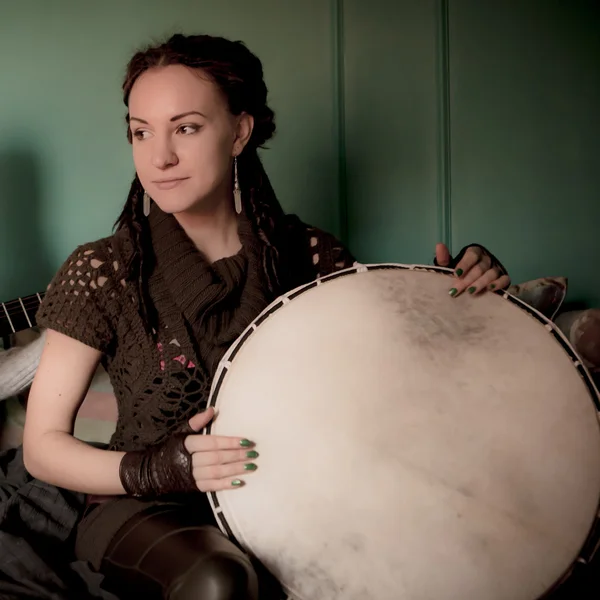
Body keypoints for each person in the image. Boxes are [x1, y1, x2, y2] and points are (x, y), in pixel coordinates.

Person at [21, 33, 510, 600]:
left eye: (186, 127)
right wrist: (158, 470)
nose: (160, 157)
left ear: (240, 132)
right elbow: (42, 446)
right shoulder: (106, 270)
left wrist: (464, 298)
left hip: (295, 496)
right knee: (218, 581)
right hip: (145, 508)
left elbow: (389, 386)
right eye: (140, 131)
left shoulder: (310, 256)